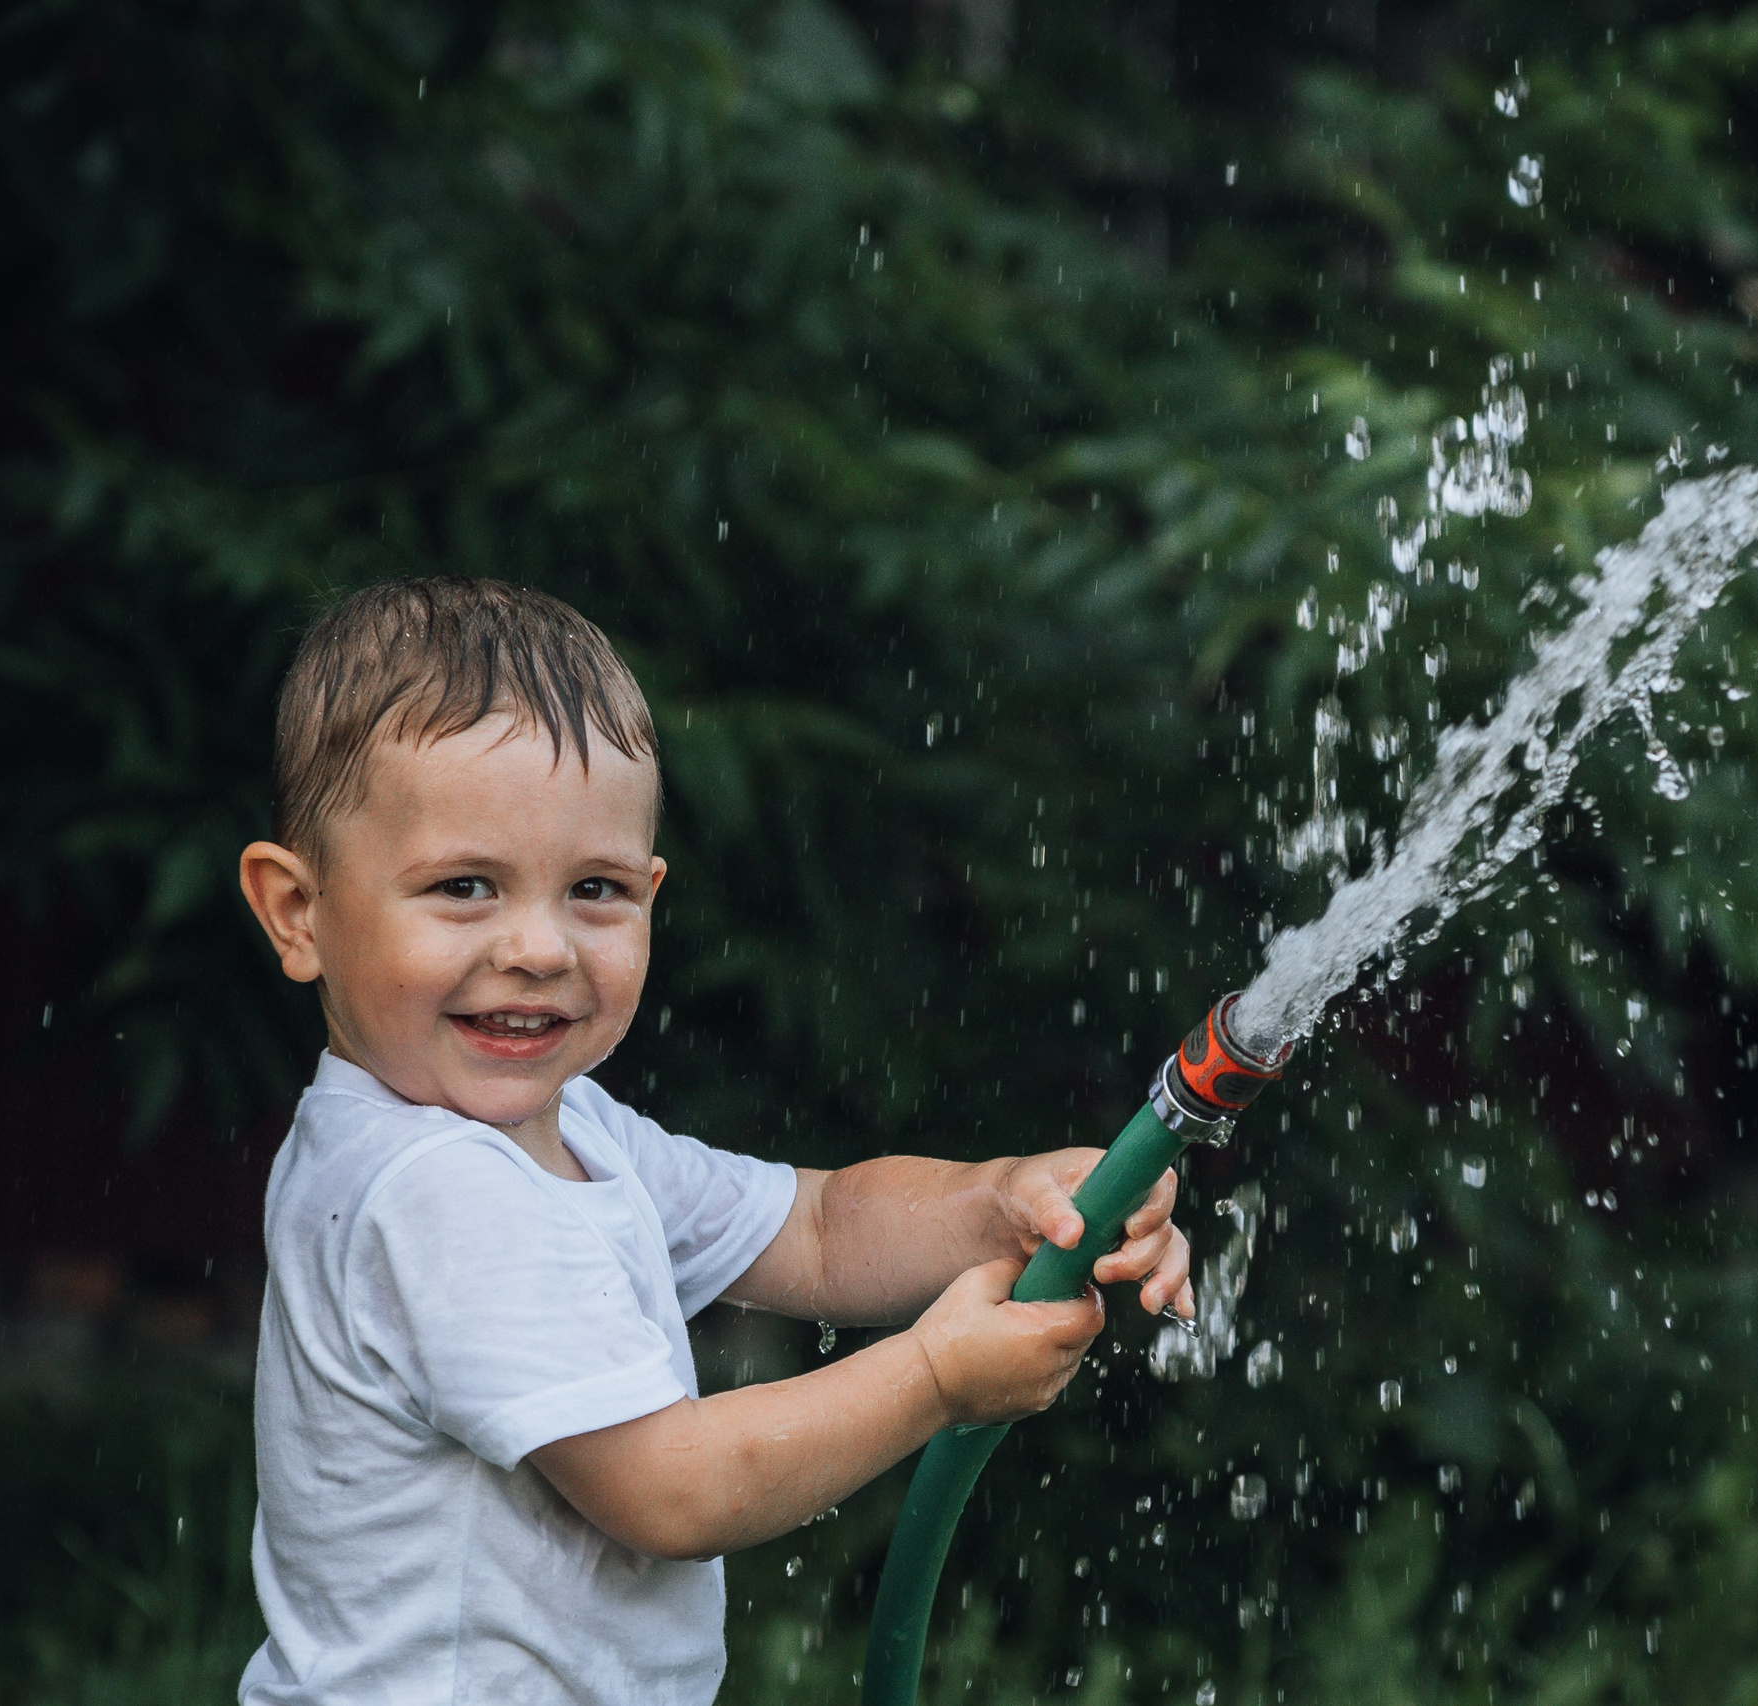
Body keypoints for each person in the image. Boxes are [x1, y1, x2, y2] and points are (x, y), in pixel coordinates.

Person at [231, 577, 1191, 1704]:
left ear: (650, 892)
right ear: (299, 910)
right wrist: (936, 1376)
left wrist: (1007, 1199)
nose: (537, 946)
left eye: (592, 889)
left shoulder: (563, 1128)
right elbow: (670, 1489)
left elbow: (818, 1227)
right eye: (463, 886)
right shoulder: (433, 1185)